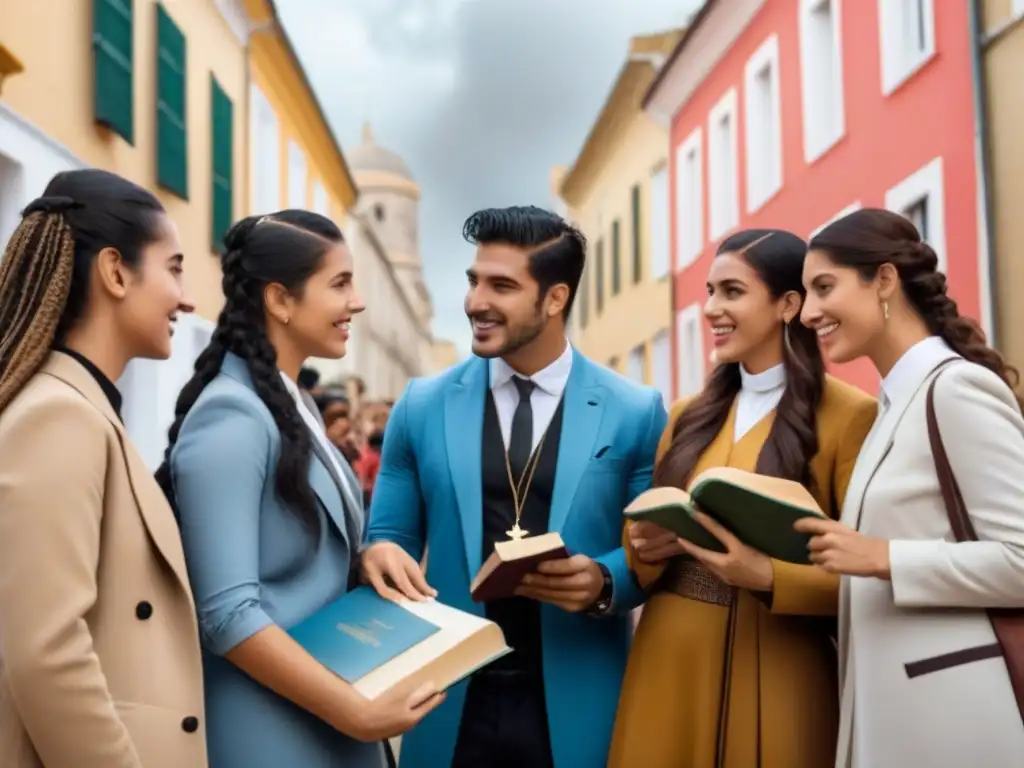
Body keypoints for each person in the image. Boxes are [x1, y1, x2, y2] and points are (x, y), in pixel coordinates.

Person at [362, 206, 667, 768]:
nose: (476, 301)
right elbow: (389, 535)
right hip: (445, 697)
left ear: (555, 299)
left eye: (501, 285)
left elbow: (652, 551)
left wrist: (605, 580)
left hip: (580, 692)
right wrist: (380, 553)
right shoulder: (421, 404)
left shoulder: (636, 410)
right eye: (474, 280)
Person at [156, 211, 442, 768]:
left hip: (324, 719)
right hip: (269, 731)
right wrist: (353, 712)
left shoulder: (293, 403)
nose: (356, 302)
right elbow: (228, 615)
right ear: (280, 301)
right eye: (340, 284)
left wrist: (366, 556)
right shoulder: (232, 415)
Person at [609, 230, 878, 768]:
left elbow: (868, 568)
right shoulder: (687, 415)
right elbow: (637, 553)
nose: (710, 309)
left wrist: (769, 575)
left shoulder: (850, 415)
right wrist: (644, 542)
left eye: (731, 292)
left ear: (788, 304)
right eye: (709, 292)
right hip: (668, 661)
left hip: (782, 666)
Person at [794, 208, 1024, 767]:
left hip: (955, 723)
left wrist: (884, 558)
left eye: (825, 287)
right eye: (804, 293)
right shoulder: (893, 407)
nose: (807, 313)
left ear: (886, 281)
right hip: (894, 715)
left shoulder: (955, 389)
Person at [0, 169, 205, 767]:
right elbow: (47, 653)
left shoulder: (80, 411)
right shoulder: (60, 417)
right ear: (116, 272)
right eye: (173, 267)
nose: (187, 297)